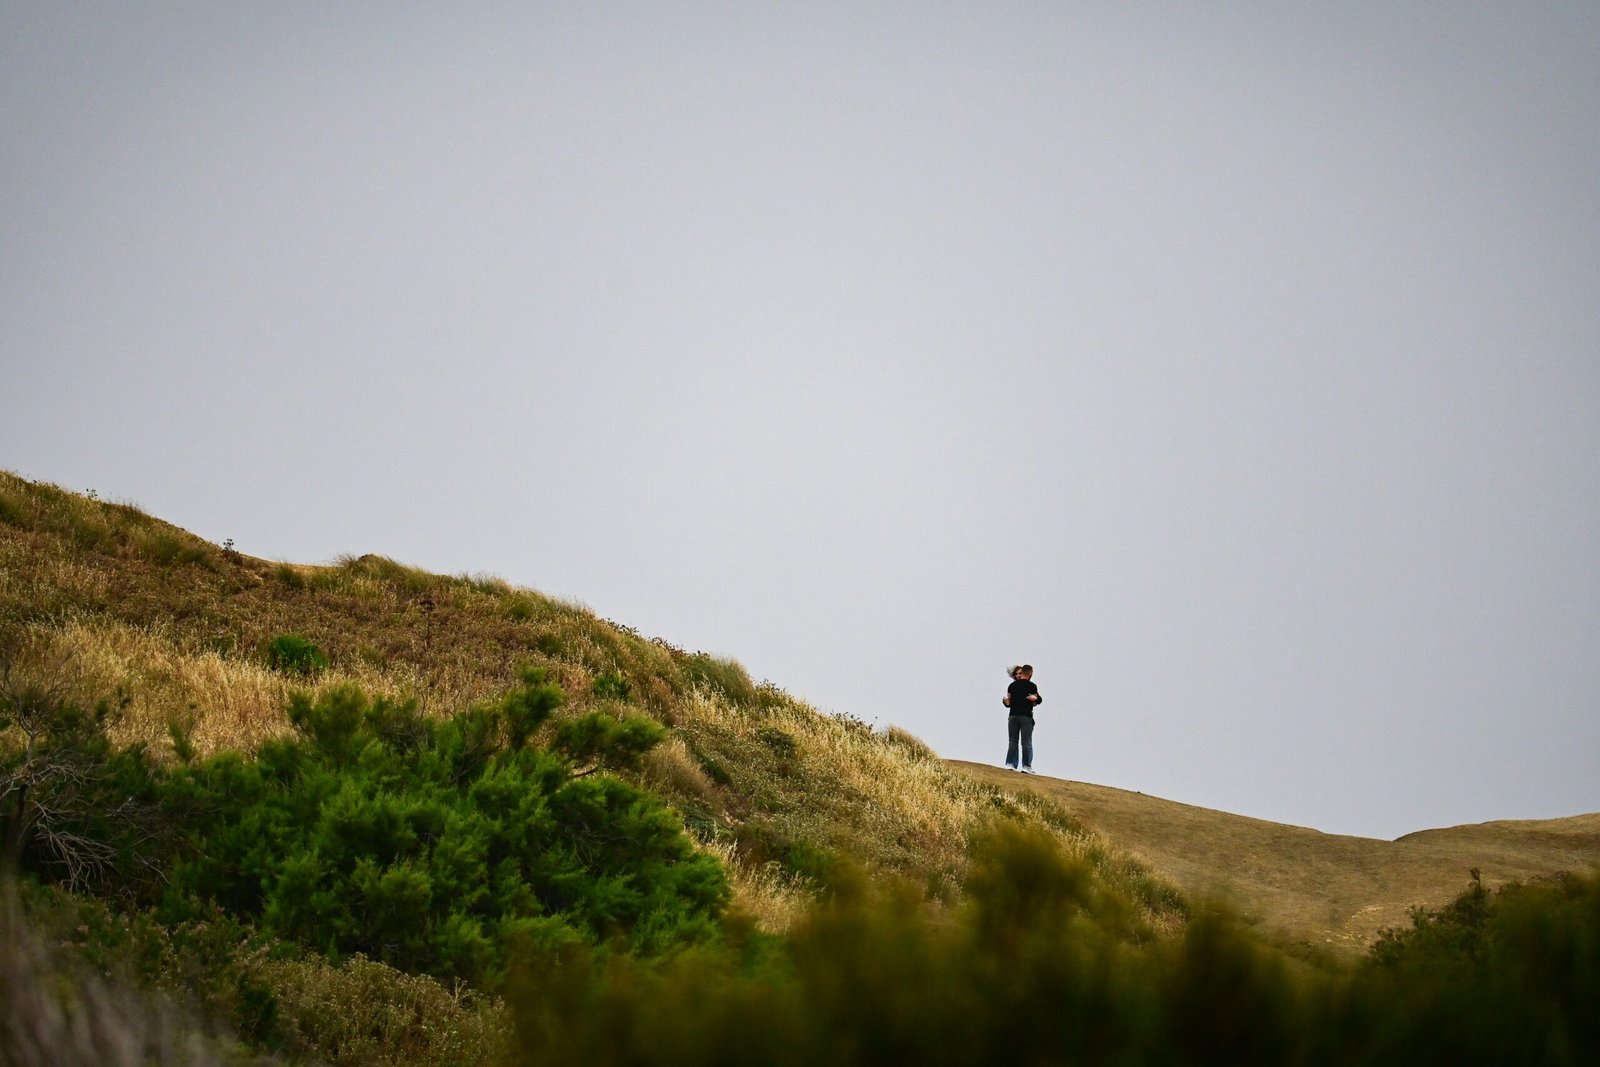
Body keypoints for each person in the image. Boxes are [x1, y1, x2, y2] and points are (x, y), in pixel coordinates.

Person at [1002, 664, 1041, 772]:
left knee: (1013, 741)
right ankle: (1026, 766)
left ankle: (1011, 763)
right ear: (1030, 674)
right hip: (1026, 716)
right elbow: (1038, 699)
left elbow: (1008, 702)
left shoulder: (1012, 686)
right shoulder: (1032, 686)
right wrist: (1035, 699)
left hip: (1013, 715)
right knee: (1026, 742)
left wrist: (1005, 701)